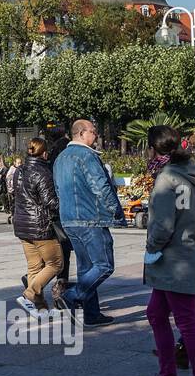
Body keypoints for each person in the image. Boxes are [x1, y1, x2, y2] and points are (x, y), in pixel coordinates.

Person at [136, 125, 195, 376]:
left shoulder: (166, 178)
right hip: (185, 253)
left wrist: (152, 248)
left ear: (153, 148)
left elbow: (163, 222)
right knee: (157, 313)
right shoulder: (189, 173)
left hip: (173, 257)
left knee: (187, 323)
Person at [52, 119, 121, 325]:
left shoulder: (61, 158)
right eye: (93, 131)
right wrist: (115, 210)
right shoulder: (87, 156)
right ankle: (71, 296)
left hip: (69, 219)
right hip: (90, 218)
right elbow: (100, 186)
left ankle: (91, 314)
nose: (96, 134)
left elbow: (57, 189)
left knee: (85, 267)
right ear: (81, 133)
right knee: (104, 265)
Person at [12, 137, 63, 316]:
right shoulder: (42, 171)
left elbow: (15, 194)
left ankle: (40, 309)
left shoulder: (20, 170)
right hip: (40, 226)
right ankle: (29, 295)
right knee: (56, 263)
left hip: (22, 225)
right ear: (45, 153)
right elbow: (50, 201)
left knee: (34, 267)